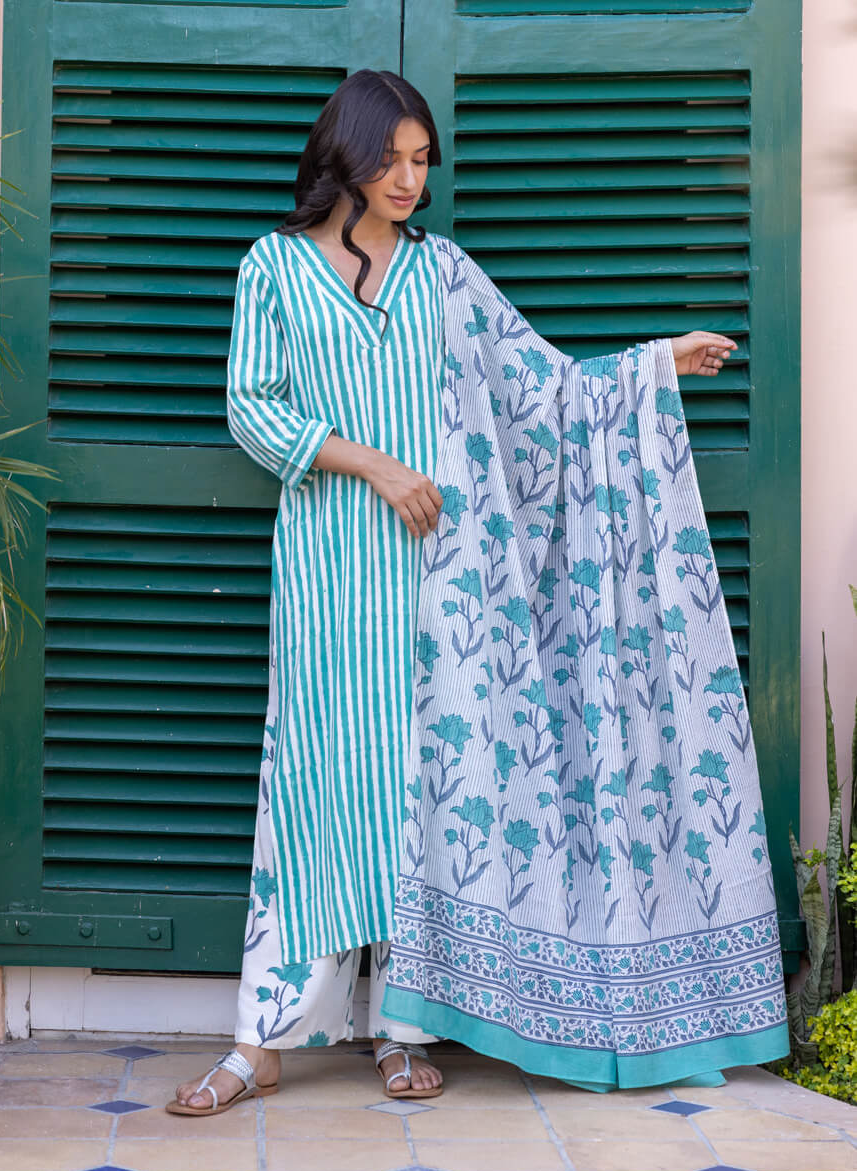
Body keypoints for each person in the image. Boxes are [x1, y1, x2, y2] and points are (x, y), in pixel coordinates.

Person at [167, 68, 743, 1115]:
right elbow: (253, 409)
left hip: (449, 590)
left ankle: (402, 1030)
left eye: (422, 160)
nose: (409, 179)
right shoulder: (274, 268)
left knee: (427, 797)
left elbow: (543, 385)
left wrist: (659, 362)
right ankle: (265, 1039)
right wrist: (378, 468)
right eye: (391, 158)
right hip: (334, 577)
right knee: (318, 791)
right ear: (346, 154)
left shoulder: (444, 273)